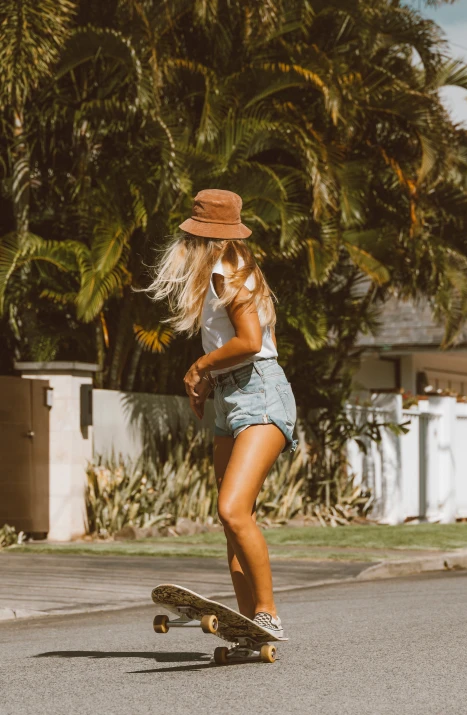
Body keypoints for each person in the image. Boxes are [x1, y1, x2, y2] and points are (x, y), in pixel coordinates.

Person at [146, 188, 297, 638]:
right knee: (235, 518)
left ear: (201, 238)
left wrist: (199, 366)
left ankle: (267, 611)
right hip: (230, 395)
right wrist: (209, 380)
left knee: (232, 510)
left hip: (261, 394)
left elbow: (250, 342)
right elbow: (231, 348)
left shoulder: (228, 272)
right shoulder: (221, 271)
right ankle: (251, 622)